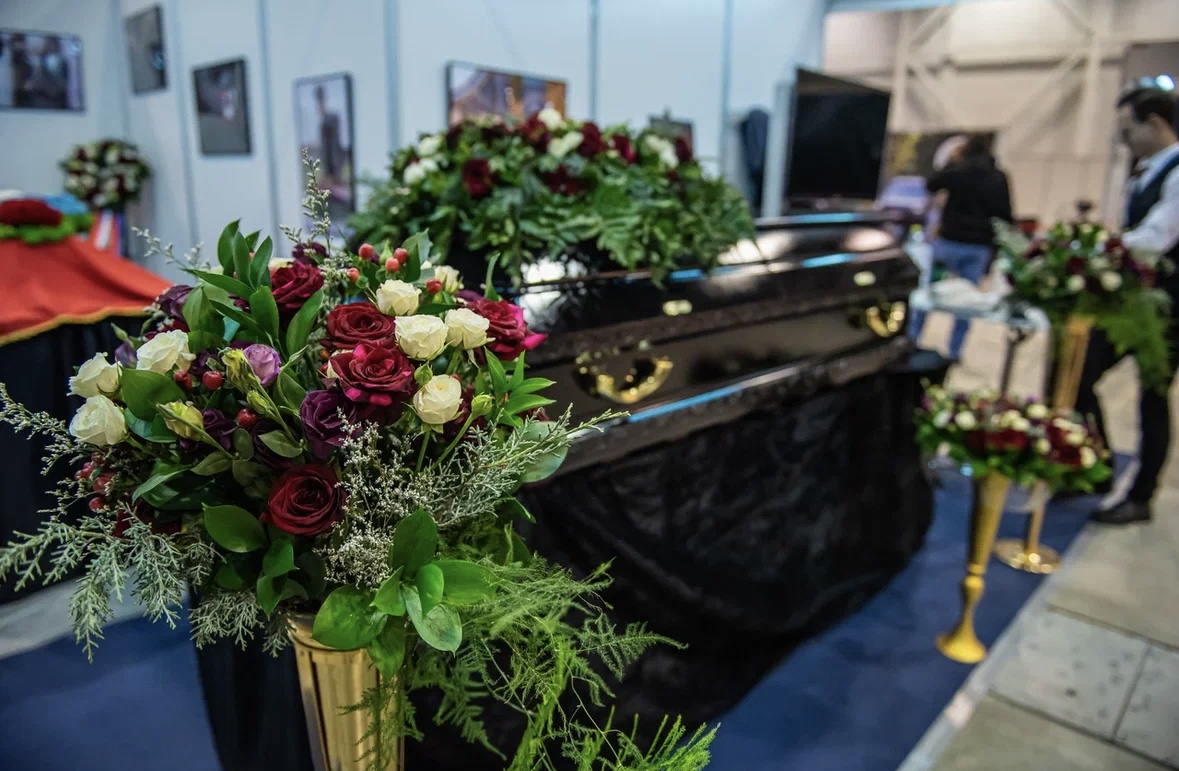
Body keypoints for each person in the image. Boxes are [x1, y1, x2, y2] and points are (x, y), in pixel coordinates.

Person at [1077, 88, 1179, 525]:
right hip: (1128, 303)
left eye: (1127, 131)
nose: (1125, 142)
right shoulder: (1145, 173)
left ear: (1154, 123)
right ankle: (1096, 466)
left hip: (1166, 308)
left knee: (1152, 398)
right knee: (1080, 375)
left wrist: (1096, 247)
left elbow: (1156, 238)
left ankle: (1141, 496)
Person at [909, 135, 1014, 363]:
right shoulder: (998, 177)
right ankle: (955, 351)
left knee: (929, 294)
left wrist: (951, 163)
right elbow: (1005, 215)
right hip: (978, 248)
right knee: (967, 303)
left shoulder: (958, 172)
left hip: (949, 243)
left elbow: (931, 184)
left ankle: (912, 338)